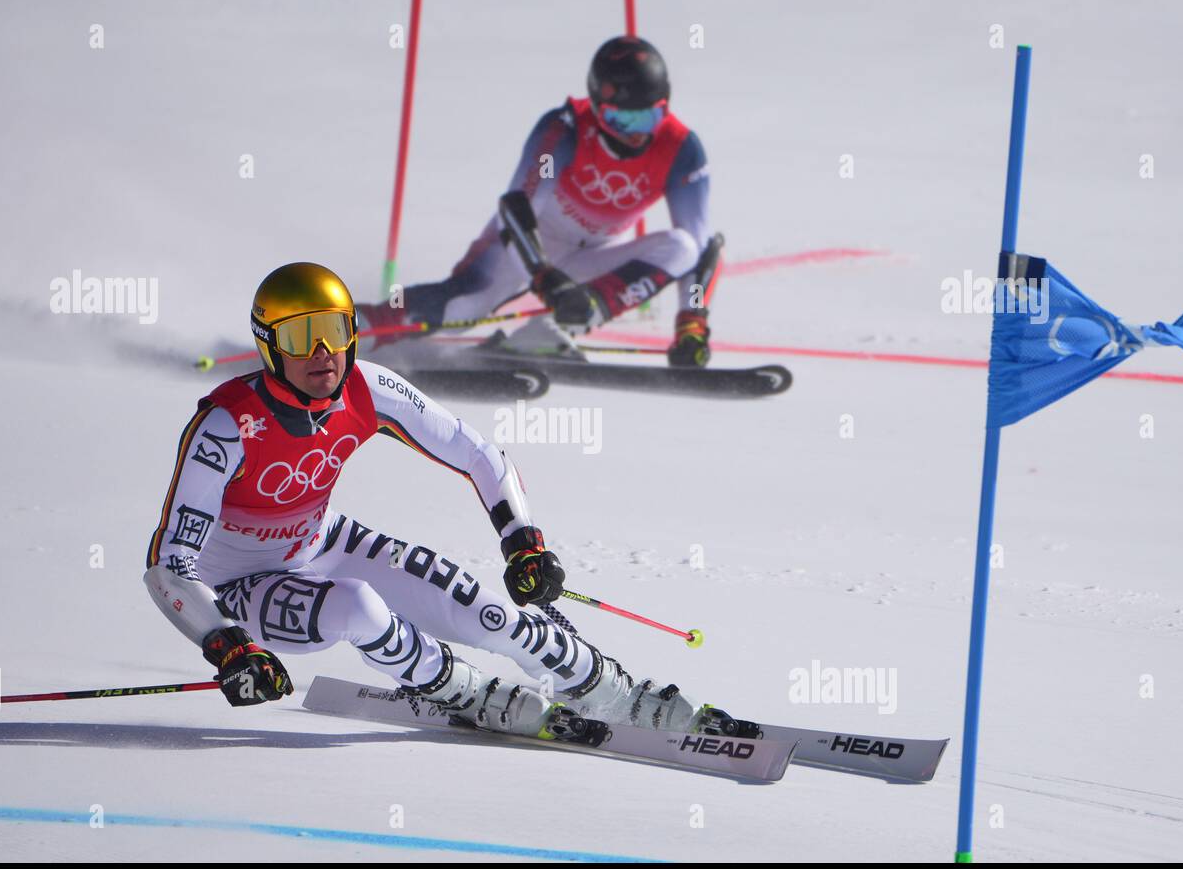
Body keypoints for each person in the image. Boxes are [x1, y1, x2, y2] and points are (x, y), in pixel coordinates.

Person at [144, 262, 747, 738]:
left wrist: (522, 543)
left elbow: (478, 454)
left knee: (492, 613)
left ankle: (612, 692)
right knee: (356, 606)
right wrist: (227, 644)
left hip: (324, 541)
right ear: (269, 345)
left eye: (333, 331)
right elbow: (168, 566)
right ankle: (456, 688)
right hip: (240, 587)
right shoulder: (227, 425)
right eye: (301, 337)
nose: (322, 353)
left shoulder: (366, 387)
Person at [361, 35, 721, 368]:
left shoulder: (682, 150)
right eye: (621, 119)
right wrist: (546, 278)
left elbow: (699, 249)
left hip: (594, 256)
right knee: (462, 309)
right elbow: (517, 210)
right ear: (598, 106)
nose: (637, 131)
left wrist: (692, 322)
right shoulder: (564, 130)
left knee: (683, 247)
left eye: (649, 116)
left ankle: (551, 328)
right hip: (527, 246)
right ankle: (364, 328)